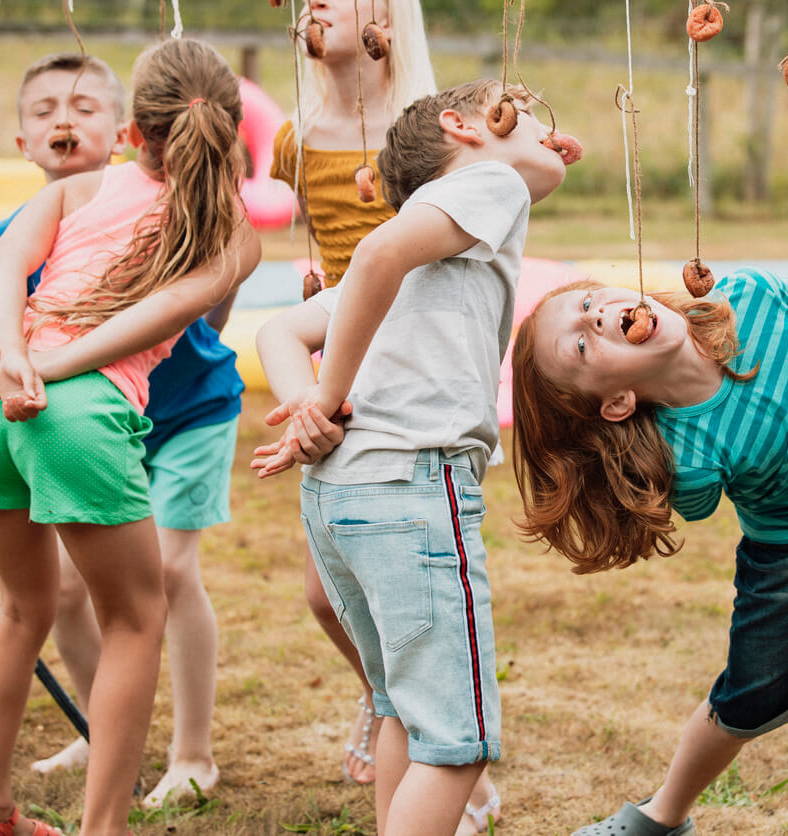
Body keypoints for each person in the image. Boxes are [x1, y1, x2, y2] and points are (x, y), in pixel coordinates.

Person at [0, 37, 260, 836]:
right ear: (228, 129)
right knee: (134, 619)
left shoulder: (78, 190)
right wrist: (43, 366)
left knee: (21, 606)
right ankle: (104, 830)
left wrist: (14, 354)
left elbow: (5, 265)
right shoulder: (234, 237)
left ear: (129, 133)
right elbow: (145, 326)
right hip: (70, 413)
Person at [510, 270, 788, 836]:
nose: (594, 316)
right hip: (785, 544)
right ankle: (662, 813)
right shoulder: (683, 458)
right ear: (616, 403)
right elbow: (700, 497)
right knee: (751, 692)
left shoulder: (750, 298)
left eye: (588, 302)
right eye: (583, 344)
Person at [251, 79, 568, 836]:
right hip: (413, 486)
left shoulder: (434, 235)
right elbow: (381, 247)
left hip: (339, 499)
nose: (539, 122)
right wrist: (323, 401)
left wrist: (304, 407)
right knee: (457, 744)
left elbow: (277, 334)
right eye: (516, 108)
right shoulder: (483, 187)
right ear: (462, 128)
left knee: (401, 705)